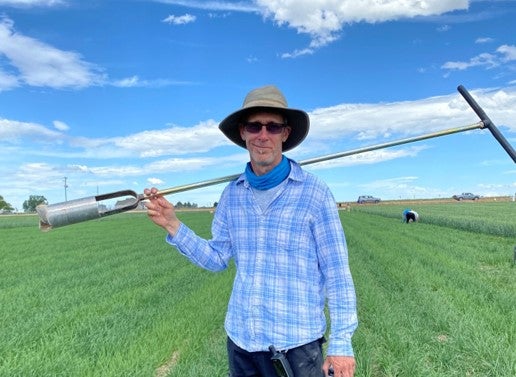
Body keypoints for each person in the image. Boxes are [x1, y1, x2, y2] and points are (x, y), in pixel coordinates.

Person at [145, 85, 358, 377]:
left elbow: (337, 273)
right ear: (243, 133)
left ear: (285, 133)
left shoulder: (315, 193)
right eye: (254, 126)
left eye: (273, 126)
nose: (263, 135)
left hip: (297, 348)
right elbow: (217, 258)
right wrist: (172, 224)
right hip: (242, 343)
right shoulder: (231, 195)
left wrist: (342, 343)